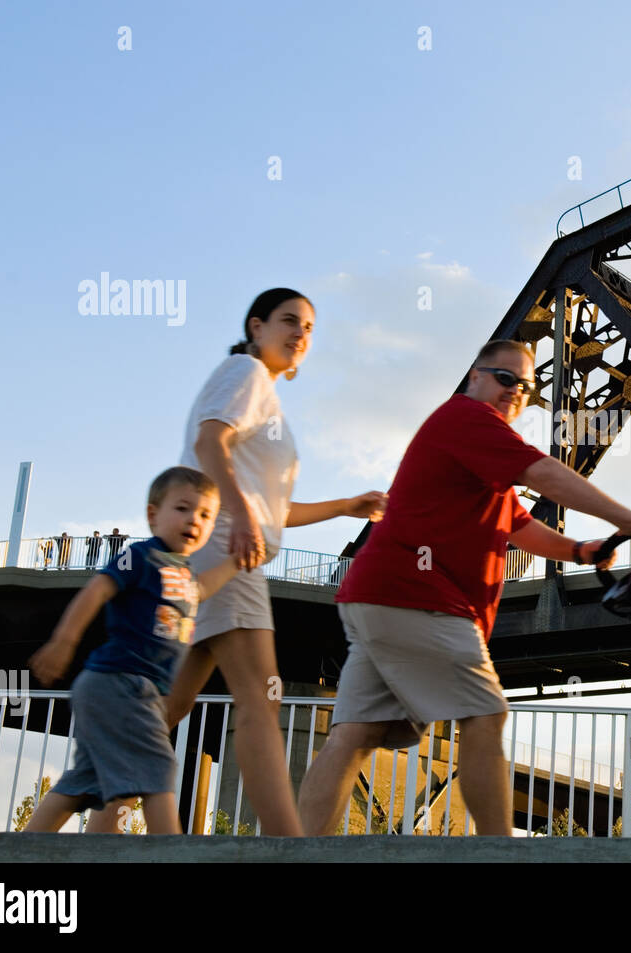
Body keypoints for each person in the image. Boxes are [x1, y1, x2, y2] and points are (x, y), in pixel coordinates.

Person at [297, 339, 631, 836]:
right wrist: (626, 517)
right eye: (504, 378)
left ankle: (297, 850)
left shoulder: (480, 455)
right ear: (474, 377)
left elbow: (518, 529)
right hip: (418, 596)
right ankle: (498, 850)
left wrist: (581, 550)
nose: (516, 391)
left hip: (374, 598)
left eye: (528, 387)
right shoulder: (467, 419)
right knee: (486, 714)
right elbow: (545, 472)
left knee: (352, 736)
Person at [158, 287, 387, 837]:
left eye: (309, 327)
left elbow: (274, 510)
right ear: (256, 327)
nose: (301, 334)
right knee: (262, 700)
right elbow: (210, 441)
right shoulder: (247, 374)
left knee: (168, 709)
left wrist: (347, 506)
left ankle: (84, 821)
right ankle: (289, 846)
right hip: (229, 550)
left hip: (226, 545)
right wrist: (237, 515)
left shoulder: (260, 392)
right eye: (290, 321)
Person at [24, 467, 241, 834]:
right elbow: (98, 589)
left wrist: (238, 561)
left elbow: (201, 589)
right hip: (120, 682)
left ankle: (21, 849)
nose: (194, 521)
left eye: (205, 515)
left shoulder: (185, 574)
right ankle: (168, 853)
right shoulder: (141, 557)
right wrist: (64, 640)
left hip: (128, 690)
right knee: (159, 767)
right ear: (153, 515)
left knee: (82, 782)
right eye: (183, 509)